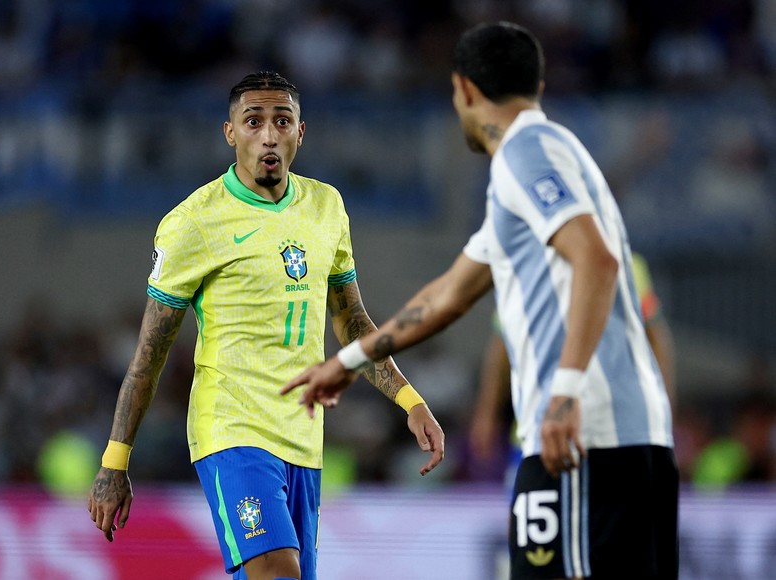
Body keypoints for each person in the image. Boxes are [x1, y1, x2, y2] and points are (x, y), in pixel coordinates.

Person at [283, 23, 678, 579]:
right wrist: (348, 361)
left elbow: (598, 259)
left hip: (584, 438)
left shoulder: (525, 152)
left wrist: (564, 394)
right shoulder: (547, 163)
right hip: (624, 439)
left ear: (466, 90)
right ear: (536, 82)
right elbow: (448, 296)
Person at [87, 71, 444, 580]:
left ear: (302, 131)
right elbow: (151, 353)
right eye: (253, 122)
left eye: (282, 121)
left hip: (303, 437)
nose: (269, 135)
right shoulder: (193, 223)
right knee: (278, 572)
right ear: (230, 133)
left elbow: (351, 321)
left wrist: (410, 401)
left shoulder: (326, 207)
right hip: (232, 431)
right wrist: (115, 460)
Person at [469, 252, 676, 477]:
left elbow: (655, 338)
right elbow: (502, 345)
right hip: (537, 430)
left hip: (615, 431)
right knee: (528, 509)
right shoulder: (522, 264)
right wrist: (486, 414)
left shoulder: (626, 263)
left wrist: (662, 408)